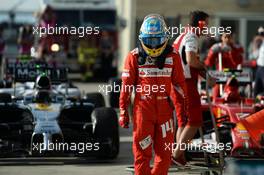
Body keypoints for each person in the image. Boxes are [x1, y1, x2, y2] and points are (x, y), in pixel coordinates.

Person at [119, 14, 188, 175]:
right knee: (142, 153)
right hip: (143, 110)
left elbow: (180, 86)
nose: (154, 45)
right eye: (150, 41)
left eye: (157, 40)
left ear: (165, 38)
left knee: (164, 154)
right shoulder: (134, 56)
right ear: (142, 38)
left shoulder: (174, 56)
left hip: (165, 110)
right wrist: (123, 111)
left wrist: (183, 111)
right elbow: (126, 87)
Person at [172, 10, 215, 165]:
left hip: (176, 83)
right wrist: (207, 72)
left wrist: (204, 73)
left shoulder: (182, 35)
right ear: (200, 23)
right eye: (206, 24)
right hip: (186, 84)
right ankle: (176, 155)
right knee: (195, 122)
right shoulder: (192, 36)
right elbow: (190, 60)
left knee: (183, 123)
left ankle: (180, 157)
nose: (207, 28)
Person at [204, 32, 244, 101]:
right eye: (225, 37)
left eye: (229, 37)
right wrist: (212, 53)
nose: (227, 39)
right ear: (221, 38)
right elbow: (208, 63)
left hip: (232, 78)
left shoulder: (236, 48)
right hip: (220, 76)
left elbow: (238, 62)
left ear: (232, 38)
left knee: (233, 96)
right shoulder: (217, 47)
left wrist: (231, 52)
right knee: (215, 97)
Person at [254, 27, 264, 98]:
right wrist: (255, 44)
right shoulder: (260, 43)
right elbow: (255, 55)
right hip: (259, 68)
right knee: (256, 89)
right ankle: (256, 106)